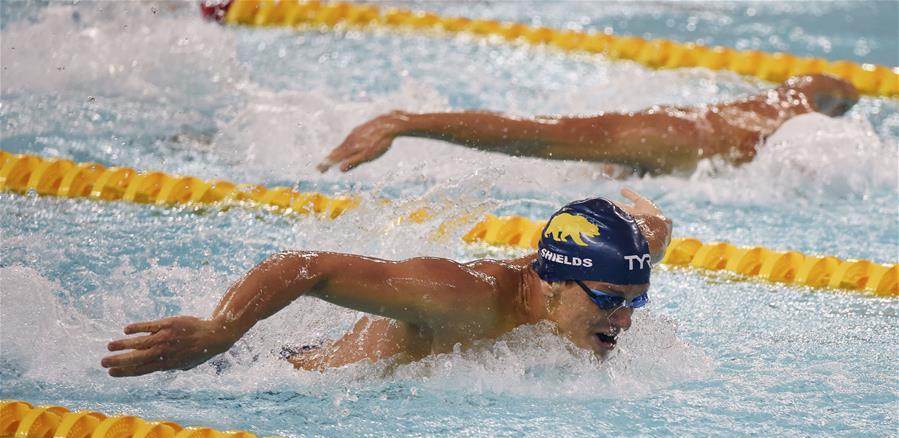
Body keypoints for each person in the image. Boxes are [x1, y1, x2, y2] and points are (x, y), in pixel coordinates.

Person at [101, 189, 672, 377]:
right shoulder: (464, 297)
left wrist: (652, 222)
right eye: (610, 301)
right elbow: (306, 267)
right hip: (283, 377)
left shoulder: (612, 264)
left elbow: (650, 233)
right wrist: (220, 330)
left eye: (635, 300)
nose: (624, 320)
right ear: (554, 283)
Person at [317, 74, 859, 176]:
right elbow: (531, 133)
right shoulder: (684, 140)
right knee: (557, 138)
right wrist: (407, 123)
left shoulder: (794, 100)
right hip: (666, 138)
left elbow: (838, 86)